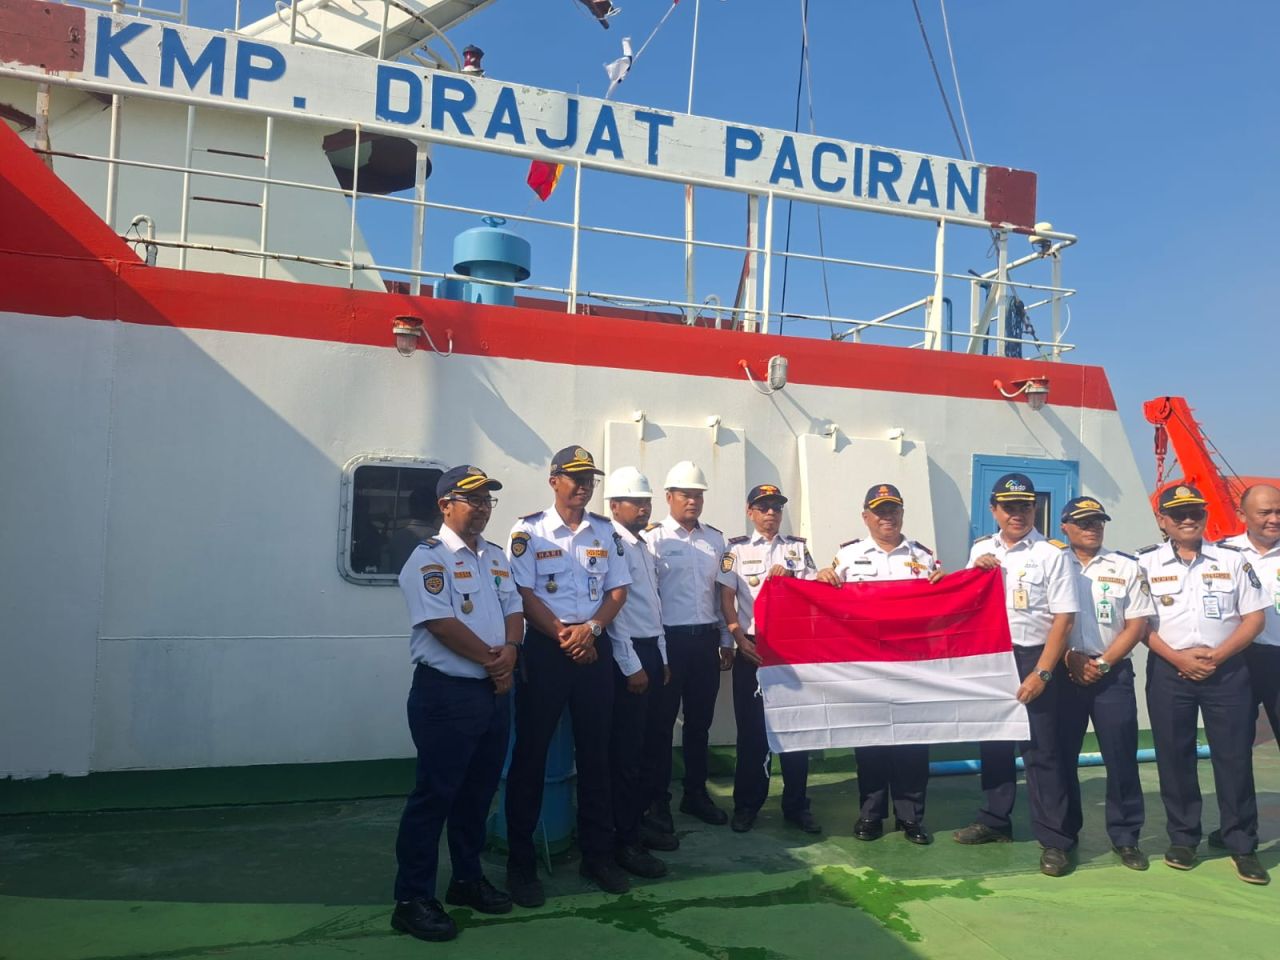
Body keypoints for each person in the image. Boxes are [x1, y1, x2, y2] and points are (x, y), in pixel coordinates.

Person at [391, 465, 521, 942]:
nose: (483, 507)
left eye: (488, 499)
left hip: (492, 693)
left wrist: (511, 652)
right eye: (474, 499)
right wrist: (496, 664)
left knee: (477, 794)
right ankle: (411, 899)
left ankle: (466, 879)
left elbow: (514, 609)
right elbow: (440, 623)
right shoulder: (428, 560)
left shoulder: (496, 557)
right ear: (446, 505)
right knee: (434, 797)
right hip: (447, 695)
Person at [504, 446, 632, 905]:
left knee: (597, 756)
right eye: (574, 477)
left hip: (592, 648)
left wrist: (591, 630)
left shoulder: (605, 531)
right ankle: (520, 865)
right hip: (546, 651)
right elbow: (521, 589)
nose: (583, 485)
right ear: (553, 480)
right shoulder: (529, 530)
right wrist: (563, 635)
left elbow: (618, 590)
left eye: (589, 478)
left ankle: (598, 857)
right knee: (531, 756)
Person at [1137, 484, 1270, 884]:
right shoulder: (1144, 563)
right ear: (1163, 521)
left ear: (1205, 515)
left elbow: (1254, 618)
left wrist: (1219, 655)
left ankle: (1241, 845)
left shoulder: (1231, 560)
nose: (1188, 519)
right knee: (1174, 757)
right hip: (1169, 670)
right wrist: (1177, 657)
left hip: (1226, 671)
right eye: (1178, 514)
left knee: (1233, 759)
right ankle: (1183, 839)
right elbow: (1139, 623)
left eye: (1195, 511)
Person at [953, 473, 1079, 879]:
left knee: (1041, 752)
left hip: (1032, 656)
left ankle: (1055, 841)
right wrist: (976, 572)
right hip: (990, 656)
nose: (1017, 514)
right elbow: (961, 601)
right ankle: (994, 819)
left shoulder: (1051, 554)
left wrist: (1043, 671)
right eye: (1009, 507)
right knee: (993, 744)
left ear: (1033, 509)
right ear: (994, 510)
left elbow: (1064, 618)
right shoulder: (979, 551)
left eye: (1025, 506)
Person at [817, 483, 944, 846]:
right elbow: (828, 605)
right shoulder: (848, 556)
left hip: (911, 665)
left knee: (913, 743)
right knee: (870, 740)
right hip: (867, 667)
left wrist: (943, 583)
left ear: (902, 514)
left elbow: (938, 610)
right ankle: (871, 814)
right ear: (866, 517)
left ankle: (910, 817)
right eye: (880, 511)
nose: (887, 517)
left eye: (893, 510)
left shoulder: (923, 557)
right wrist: (821, 579)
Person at [1056, 496, 1154, 871]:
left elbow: (1137, 623)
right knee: (1061, 758)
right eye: (1083, 522)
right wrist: (1069, 657)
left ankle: (1126, 837)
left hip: (1111, 675)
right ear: (1065, 526)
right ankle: (1063, 835)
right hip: (1064, 674)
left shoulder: (1124, 566)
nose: (1092, 527)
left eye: (1098, 521)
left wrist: (1103, 662)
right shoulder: (1053, 562)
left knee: (1121, 757)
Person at [719, 483, 821, 835]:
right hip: (751, 647)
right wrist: (733, 640)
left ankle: (797, 805)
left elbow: (815, 592)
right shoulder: (734, 550)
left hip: (790, 650)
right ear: (750, 512)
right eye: (763, 507)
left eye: (776, 507)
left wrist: (791, 576)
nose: (771, 513)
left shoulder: (797, 549)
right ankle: (747, 805)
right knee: (752, 732)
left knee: (795, 729)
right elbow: (727, 598)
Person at [644, 460, 735, 830]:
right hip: (670, 642)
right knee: (661, 725)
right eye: (685, 494)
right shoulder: (653, 539)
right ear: (669, 497)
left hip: (705, 641)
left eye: (698, 495)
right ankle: (657, 800)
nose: (693, 501)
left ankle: (695, 795)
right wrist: (659, 650)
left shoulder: (715, 539)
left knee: (700, 724)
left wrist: (727, 639)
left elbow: (721, 594)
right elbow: (647, 598)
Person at [602, 466, 675, 877]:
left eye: (647, 501)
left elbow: (654, 608)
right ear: (615, 505)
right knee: (626, 754)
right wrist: (632, 665)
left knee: (650, 747)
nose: (644, 507)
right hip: (628, 655)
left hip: (651, 651)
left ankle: (640, 825)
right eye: (636, 501)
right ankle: (623, 840)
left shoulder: (643, 545)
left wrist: (661, 658)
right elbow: (619, 612)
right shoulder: (614, 545)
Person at [1223, 484, 1280, 749]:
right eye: (1265, 512)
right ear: (1241, 515)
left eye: (1279, 512)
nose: (1274, 519)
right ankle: (1239, 793)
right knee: (1235, 740)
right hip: (1238, 657)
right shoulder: (1221, 554)